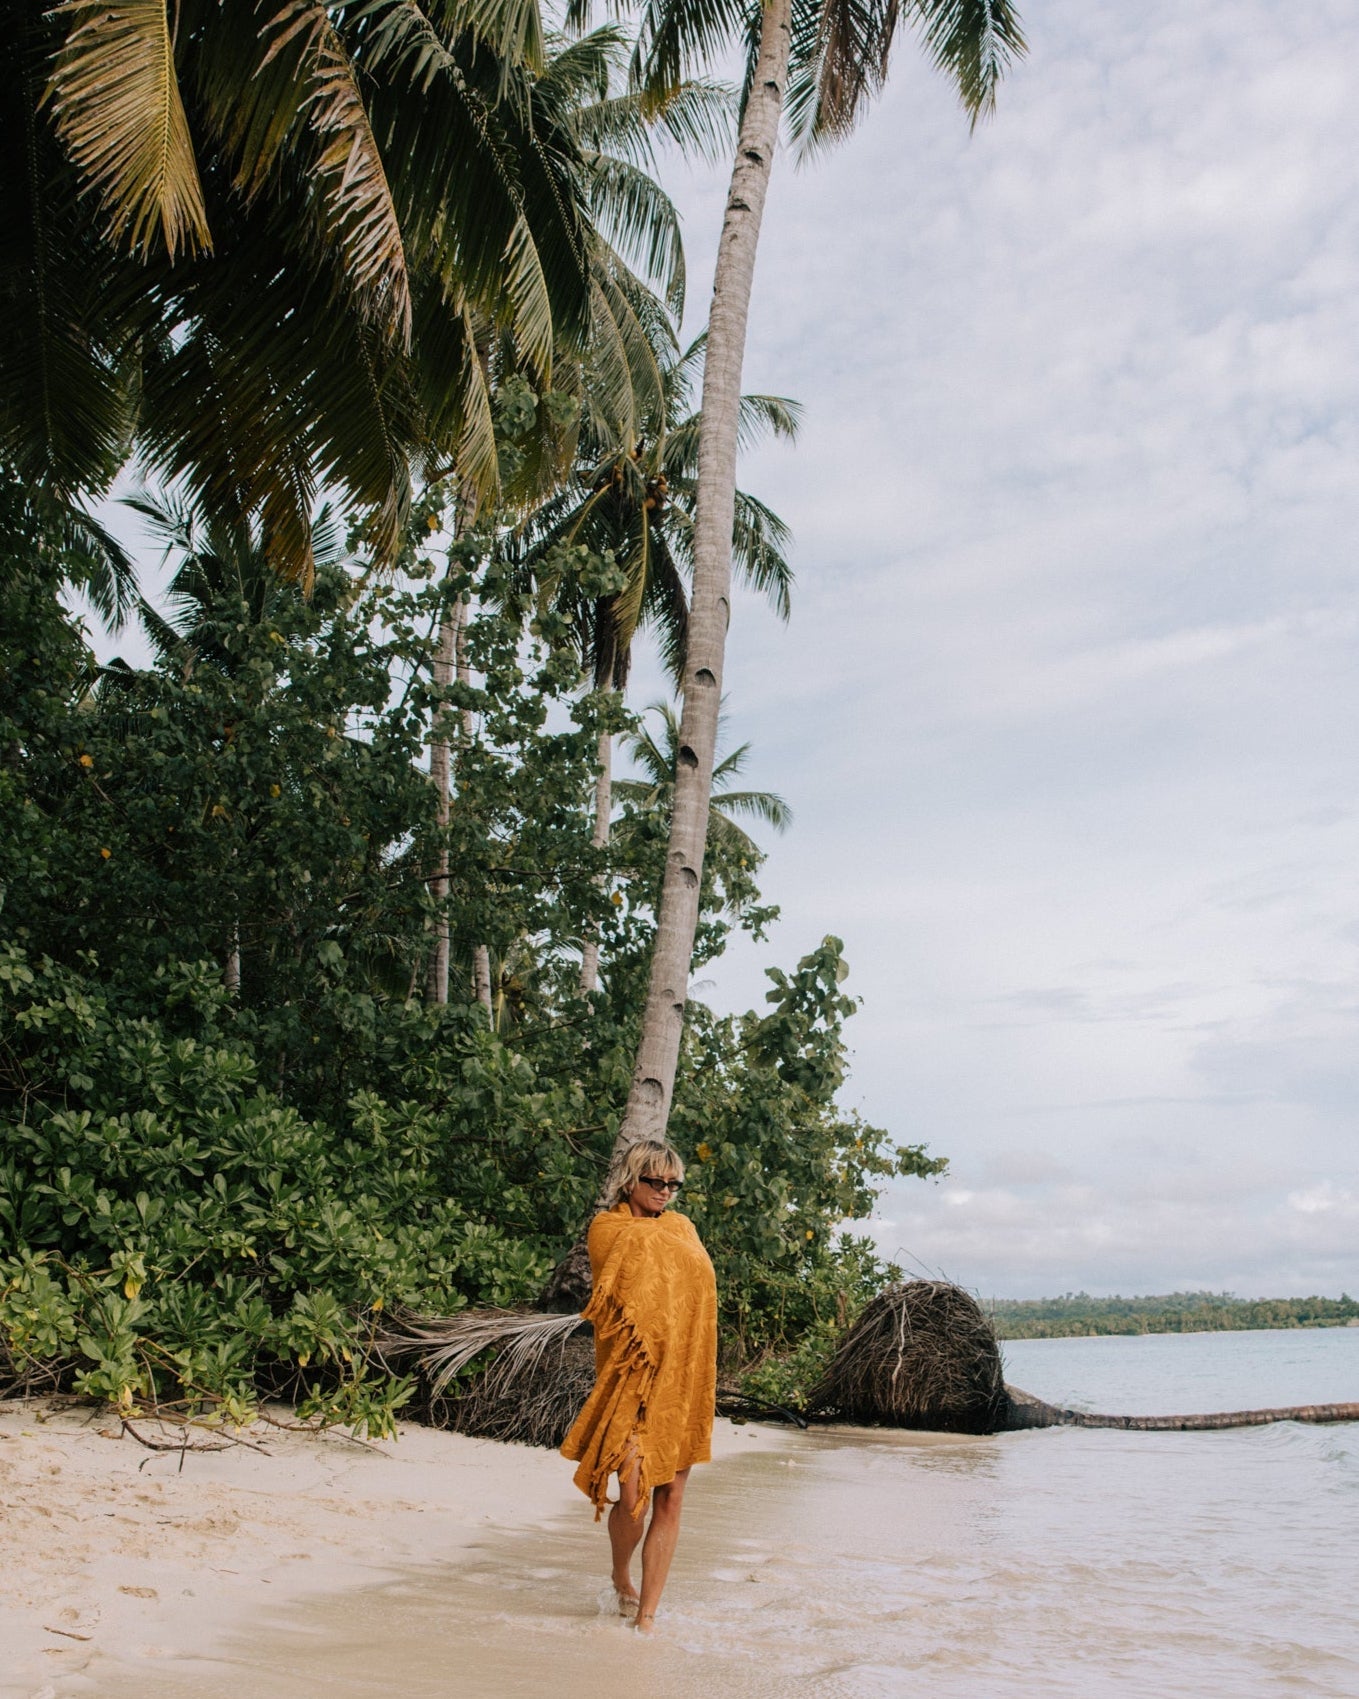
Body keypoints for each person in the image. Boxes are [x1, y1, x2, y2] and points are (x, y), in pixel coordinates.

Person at [560, 1138, 717, 1633]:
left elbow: (701, 1290)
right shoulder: (608, 1228)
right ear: (631, 1180)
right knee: (632, 1497)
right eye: (654, 1181)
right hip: (631, 1378)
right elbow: (633, 1272)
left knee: (670, 1497)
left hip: (682, 1378)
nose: (665, 1191)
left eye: (673, 1184)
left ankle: (647, 1617)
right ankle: (619, 1573)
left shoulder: (681, 1228)